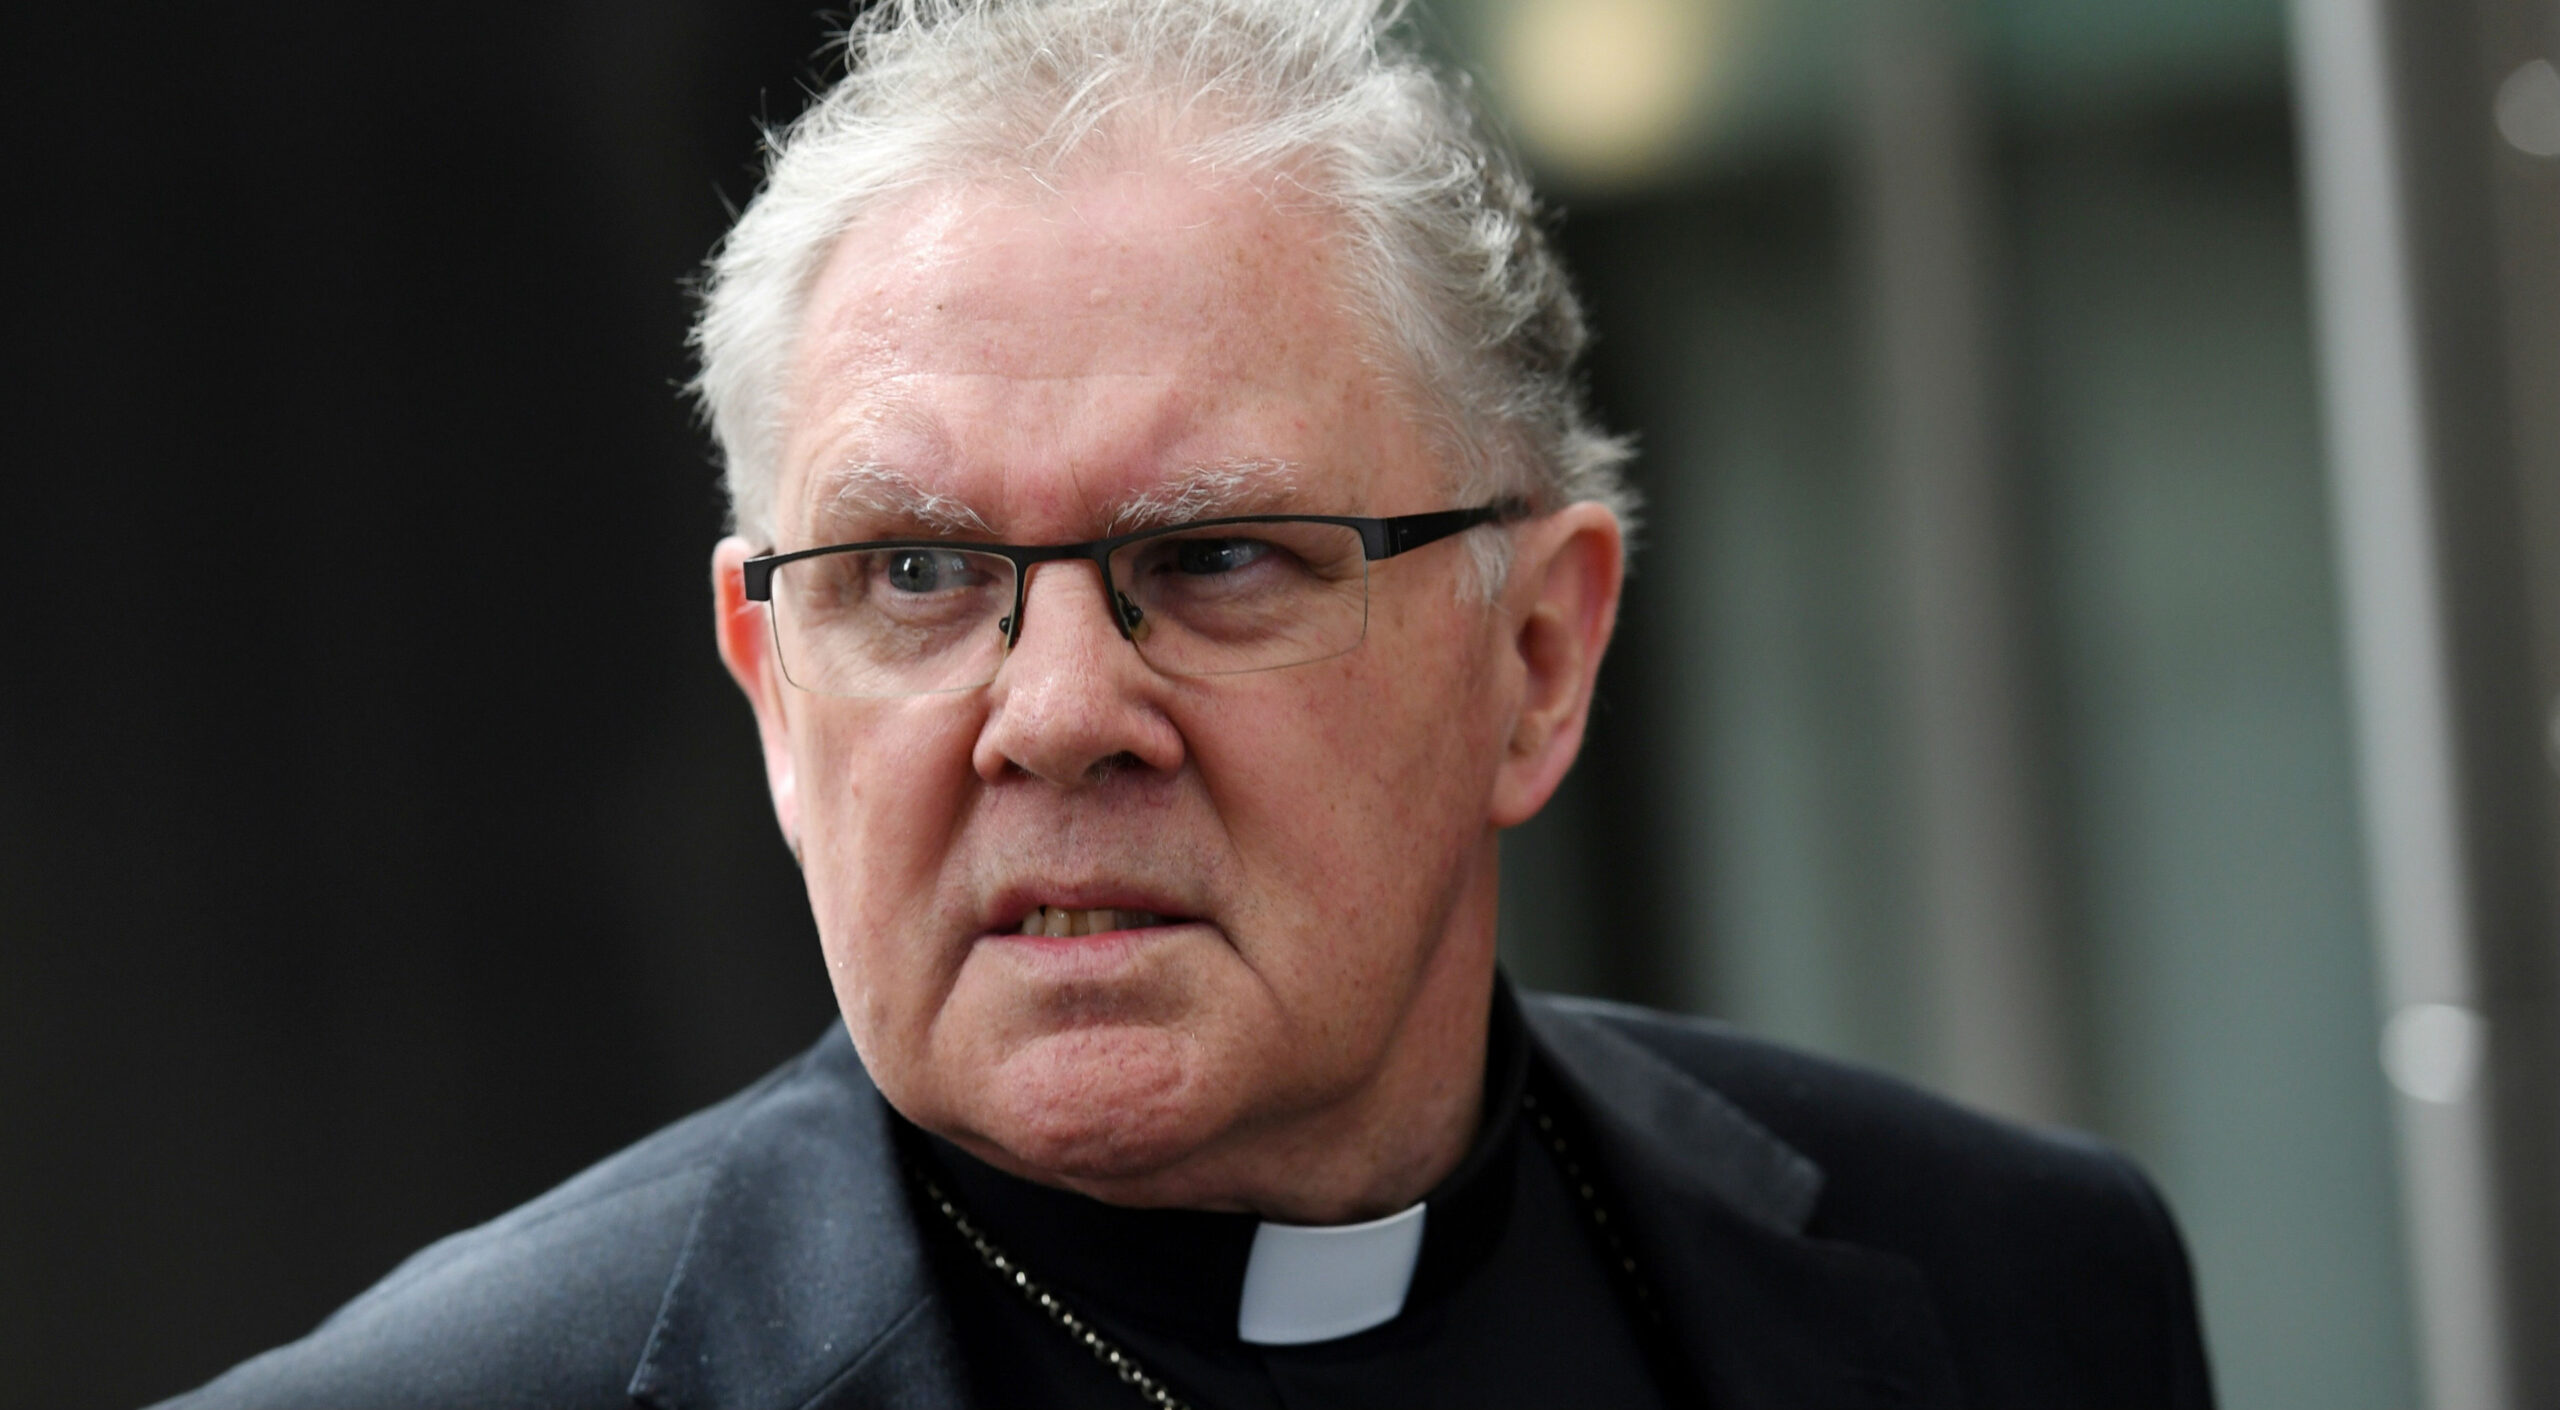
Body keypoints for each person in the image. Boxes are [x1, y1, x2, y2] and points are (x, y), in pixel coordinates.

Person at [161, 1, 2214, 1406]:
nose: (1053, 714)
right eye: (914, 574)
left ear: (1537, 658)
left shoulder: (2002, 1295)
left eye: (1214, 561)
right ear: (773, 695)